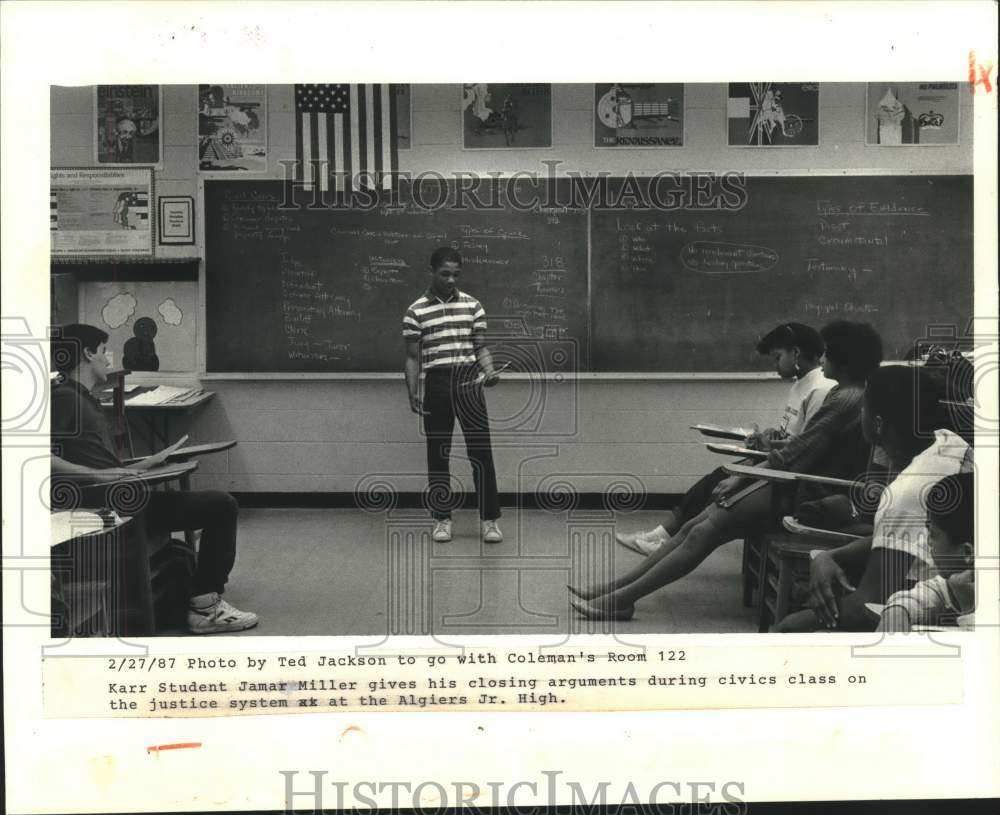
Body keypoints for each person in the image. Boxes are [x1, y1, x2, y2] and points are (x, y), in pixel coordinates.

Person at [569, 320, 883, 620]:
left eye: (828, 351)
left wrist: (741, 477)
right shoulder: (852, 394)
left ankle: (622, 598)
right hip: (800, 485)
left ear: (843, 360)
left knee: (701, 532)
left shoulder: (846, 398)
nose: (822, 357)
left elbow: (797, 454)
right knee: (694, 525)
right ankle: (617, 590)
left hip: (807, 492)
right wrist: (757, 463)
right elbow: (800, 449)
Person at [49, 323, 258, 634]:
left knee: (199, 528)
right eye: (104, 351)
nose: (109, 359)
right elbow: (37, 456)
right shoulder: (65, 398)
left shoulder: (82, 397)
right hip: (108, 508)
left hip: (120, 495)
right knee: (221, 505)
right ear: (87, 353)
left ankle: (200, 599)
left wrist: (147, 463)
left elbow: (106, 464)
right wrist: (99, 474)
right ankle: (205, 607)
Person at [775, 364, 973, 632]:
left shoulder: (907, 491)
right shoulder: (948, 443)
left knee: (789, 628)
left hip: (935, 608)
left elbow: (867, 606)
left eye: (865, 407)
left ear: (878, 423)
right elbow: (901, 534)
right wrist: (831, 556)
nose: (860, 413)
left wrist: (794, 624)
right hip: (946, 588)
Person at [617, 322, 836, 555]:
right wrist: (771, 434)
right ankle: (661, 537)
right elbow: (793, 433)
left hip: (787, 473)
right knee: (716, 478)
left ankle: (665, 540)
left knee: (720, 482)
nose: (775, 365)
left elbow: (806, 446)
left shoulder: (819, 389)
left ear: (796, 353)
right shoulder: (800, 385)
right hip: (776, 462)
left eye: (777, 357)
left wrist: (770, 446)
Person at [403, 247, 503, 543]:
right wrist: (412, 391)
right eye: (444, 274)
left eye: (455, 275)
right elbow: (411, 356)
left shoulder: (473, 306)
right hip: (436, 382)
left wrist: (490, 371)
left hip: (468, 380)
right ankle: (442, 518)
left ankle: (490, 520)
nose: (450, 280)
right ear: (431, 271)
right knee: (438, 453)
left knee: (481, 452)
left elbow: (480, 347)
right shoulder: (415, 311)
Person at [876, 471, 975, 633]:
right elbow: (931, 592)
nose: (927, 541)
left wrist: (970, 608)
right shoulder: (956, 580)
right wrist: (898, 610)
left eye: (933, 535)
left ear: (967, 552)